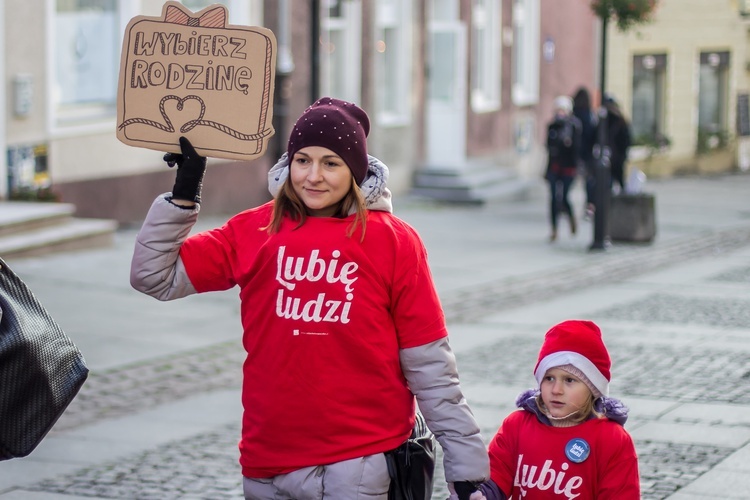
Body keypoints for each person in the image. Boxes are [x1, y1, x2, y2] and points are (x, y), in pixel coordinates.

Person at [129, 97, 489, 499]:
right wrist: (184, 192)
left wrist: (467, 466)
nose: (313, 176)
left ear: (354, 170)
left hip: (359, 463)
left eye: (331, 163)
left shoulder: (393, 241)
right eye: (303, 160)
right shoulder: (256, 229)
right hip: (268, 460)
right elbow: (154, 277)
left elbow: (431, 365)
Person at [473, 320, 640, 499]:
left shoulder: (612, 439)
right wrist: (479, 495)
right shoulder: (517, 426)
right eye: (549, 378)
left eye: (569, 380)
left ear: (592, 388)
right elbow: (496, 476)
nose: (556, 390)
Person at [545, 96, 582, 242]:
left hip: (568, 167)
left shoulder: (574, 126)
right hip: (555, 166)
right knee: (554, 198)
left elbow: (576, 148)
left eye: (563, 109)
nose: (560, 113)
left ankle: (571, 217)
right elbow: (549, 146)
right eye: (558, 109)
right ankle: (554, 229)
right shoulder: (552, 126)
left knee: (564, 197)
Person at [572, 88, 598, 220]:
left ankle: (562, 205)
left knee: (569, 180)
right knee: (589, 181)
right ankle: (589, 206)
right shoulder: (589, 116)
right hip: (587, 154)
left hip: (573, 154)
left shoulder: (573, 115)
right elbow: (593, 135)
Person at [600, 94, 632, 193]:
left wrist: (622, 154)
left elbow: (626, 140)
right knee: (608, 181)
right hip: (609, 155)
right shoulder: (603, 120)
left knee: (618, 179)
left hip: (617, 155)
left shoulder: (619, 121)